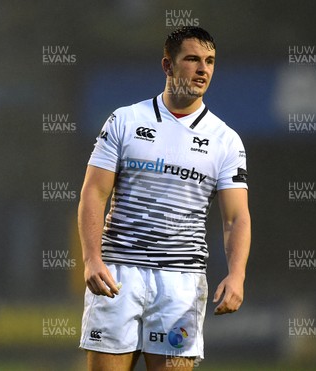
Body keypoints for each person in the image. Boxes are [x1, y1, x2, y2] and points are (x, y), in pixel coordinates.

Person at [78, 26, 251, 371]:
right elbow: (94, 193)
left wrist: (237, 275)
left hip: (180, 283)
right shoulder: (125, 120)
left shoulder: (226, 140)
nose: (203, 69)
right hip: (117, 275)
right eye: (192, 59)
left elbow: (236, 217)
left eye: (210, 61)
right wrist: (91, 259)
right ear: (167, 66)